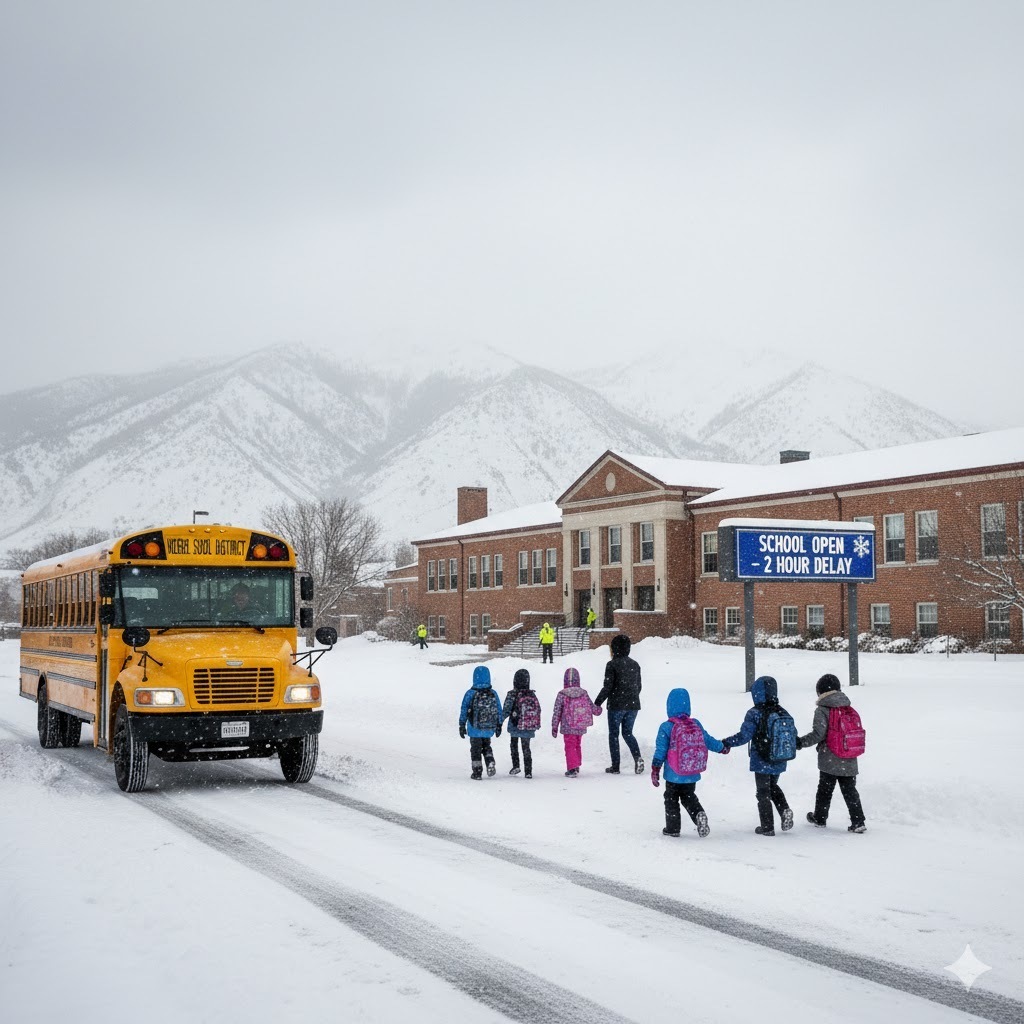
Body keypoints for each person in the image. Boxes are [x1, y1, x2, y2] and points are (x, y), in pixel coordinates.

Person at [722, 675, 796, 836]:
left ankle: (767, 827)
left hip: (762, 758)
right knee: (773, 787)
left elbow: (744, 736)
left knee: (763, 792)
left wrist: (726, 742)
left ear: (757, 693)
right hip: (780, 757)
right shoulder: (782, 711)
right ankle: (785, 810)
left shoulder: (755, 713)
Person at [650, 687, 729, 837]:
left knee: (671, 798)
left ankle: (673, 829)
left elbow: (660, 751)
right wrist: (722, 748)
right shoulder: (695, 723)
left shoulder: (666, 727)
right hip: (691, 771)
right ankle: (699, 814)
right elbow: (708, 740)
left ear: (669, 706)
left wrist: (655, 769)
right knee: (688, 796)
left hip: (673, 773)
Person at [797, 673, 867, 833]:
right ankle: (858, 821)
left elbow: (818, 734)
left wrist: (800, 742)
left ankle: (820, 818)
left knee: (824, 789)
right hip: (849, 755)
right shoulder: (848, 708)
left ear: (820, 692)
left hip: (830, 757)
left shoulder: (822, 710)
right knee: (850, 790)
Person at [594, 634, 644, 774]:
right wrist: (631, 697)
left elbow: (607, 687)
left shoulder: (612, 664)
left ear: (614, 648)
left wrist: (597, 703)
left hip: (616, 705)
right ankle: (638, 757)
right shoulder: (635, 664)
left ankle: (615, 766)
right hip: (633, 705)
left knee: (614, 734)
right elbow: (639, 686)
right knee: (628, 733)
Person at [550, 667, 602, 777]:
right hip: (580, 725)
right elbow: (592, 707)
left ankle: (572, 769)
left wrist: (554, 727)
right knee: (577, 744)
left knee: (569, 746)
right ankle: (576, 764)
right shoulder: (583, 693)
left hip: (567, 725)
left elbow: (557, 712)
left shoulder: (562, 694)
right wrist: (598, 710)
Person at [459, 665, 503, 780]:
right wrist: (499, 725)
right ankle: (490, 761)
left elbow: (464, 709)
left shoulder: (470, 693)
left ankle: (477, 772)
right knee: (486, 746)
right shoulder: (493, 693)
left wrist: (461, 725)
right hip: (488, 727)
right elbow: (499, 709)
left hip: (474, 728)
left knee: (475, 749)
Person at [502, 668, 542, 778]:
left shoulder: (512, 694)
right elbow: (538, 709)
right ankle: (528, 771)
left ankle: (516, 766)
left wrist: (499, 722)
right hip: (528, 726)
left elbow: (506, 710)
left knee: (514, 745)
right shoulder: (531, 695)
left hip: (515, 725)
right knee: (526, 748)